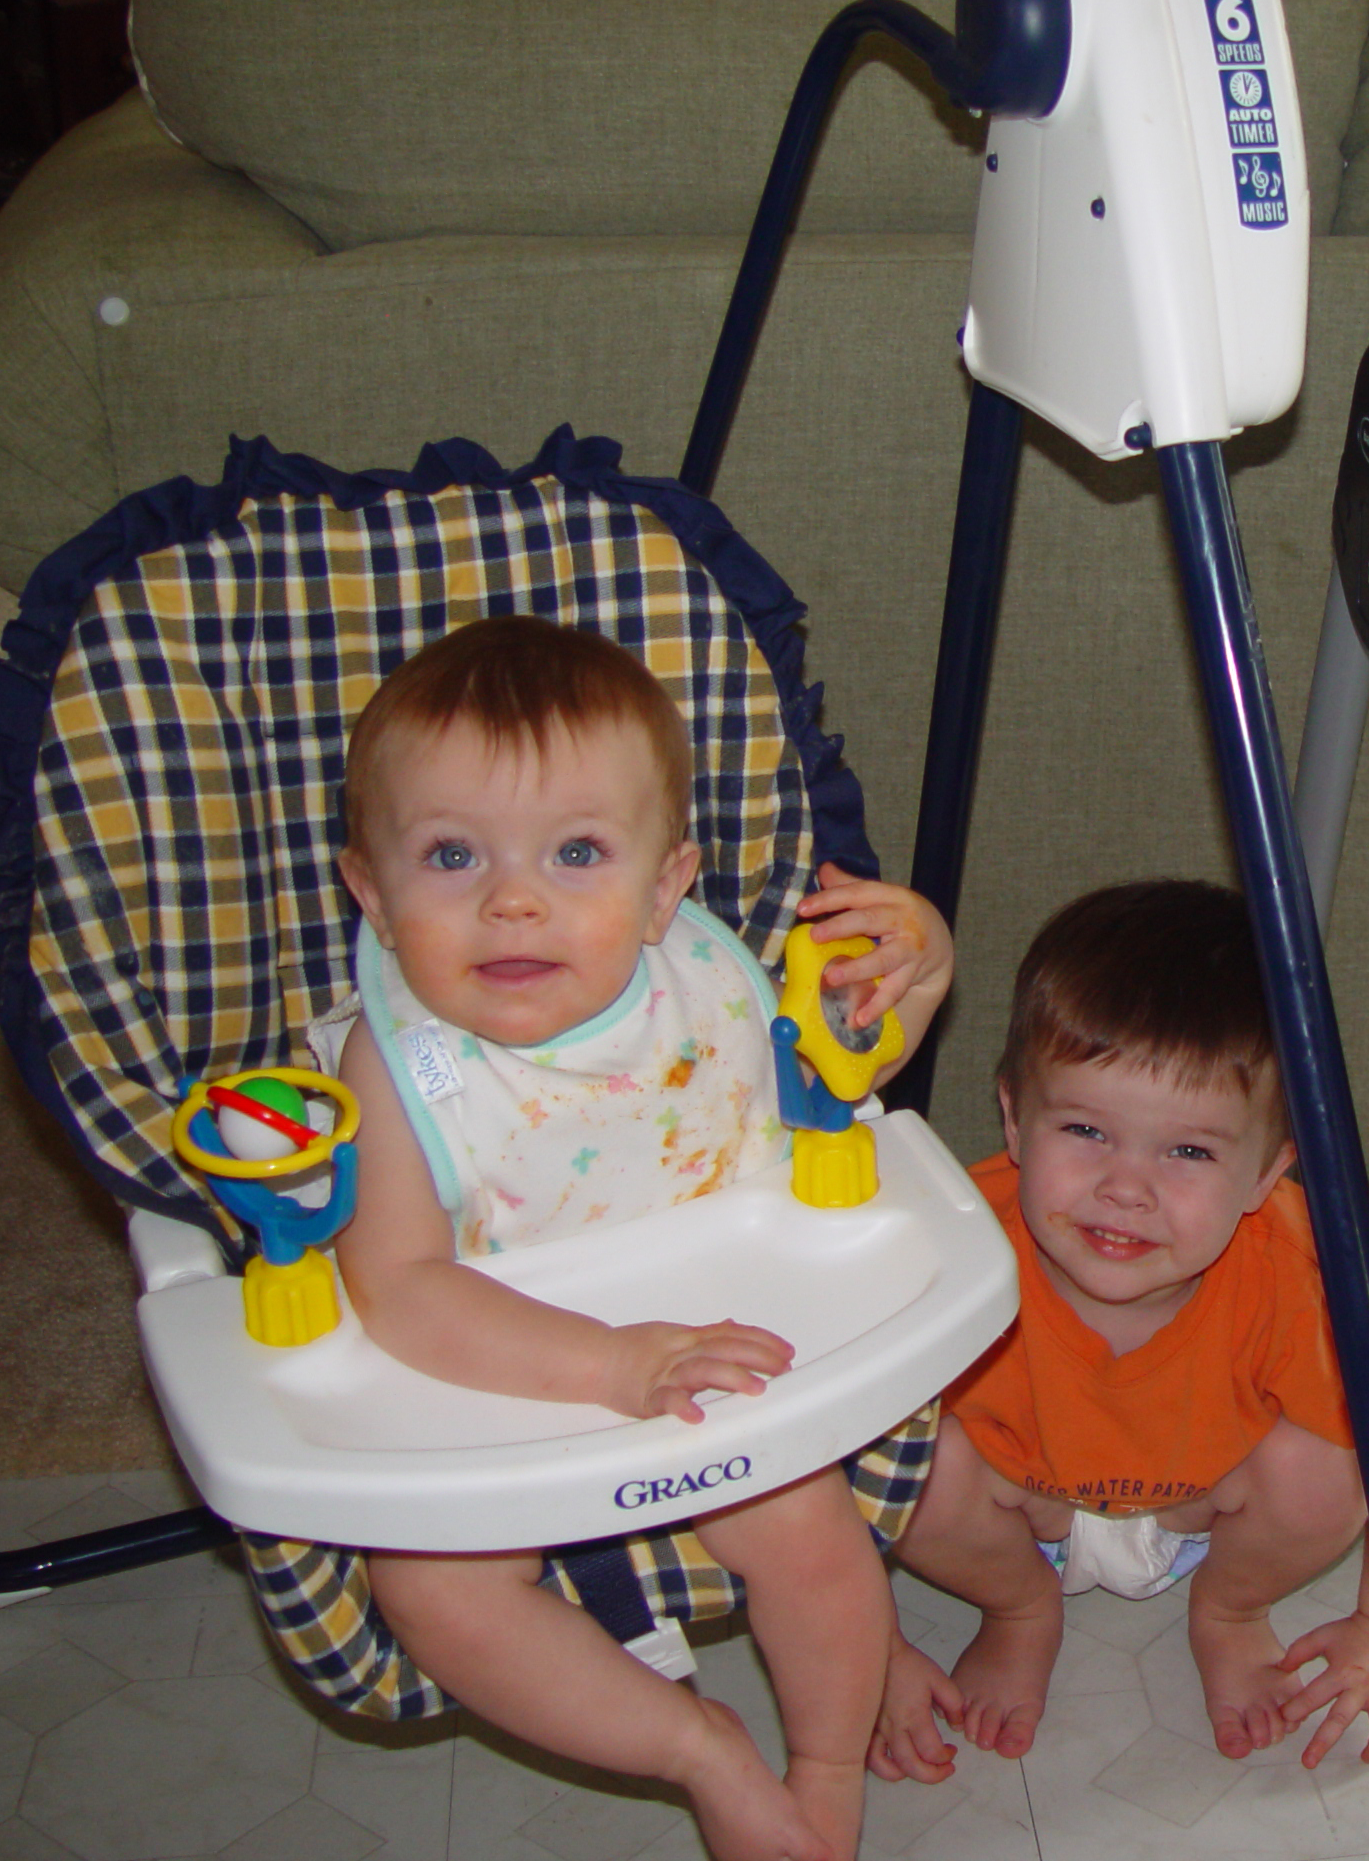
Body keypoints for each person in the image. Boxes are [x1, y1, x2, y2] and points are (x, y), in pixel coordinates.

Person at [317, 615, 954, 1861]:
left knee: (815, 1543)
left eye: (576, 853)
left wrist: (915, 971)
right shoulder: (405, 1073)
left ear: (669, 887)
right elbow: (396, 1290)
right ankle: (697, 1748)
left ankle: (823, 1781)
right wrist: (612, 1366)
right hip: (498, 1378)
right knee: (430, 1592)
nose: (511, 899)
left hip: (710, 1347)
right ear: (371, 894)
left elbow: (834, 1086)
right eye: (450, 854)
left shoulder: (703, 987)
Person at [869, 879, 1369, 1782]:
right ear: (1015, 1118)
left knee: (1335, 1457)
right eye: (1087, 1128)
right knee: (901, 1456)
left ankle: (1230, 1614)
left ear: (1266, 1175)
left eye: (1189, 1152)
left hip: (1206, 1511)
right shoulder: (948, 1242)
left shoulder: (1292, 1270)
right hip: (1021, 1512)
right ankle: (1019, 1611)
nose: (1126, 1188)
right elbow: (821, 1440)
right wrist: (876, 1651)